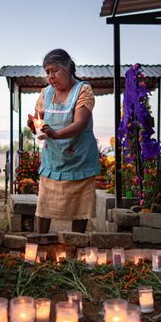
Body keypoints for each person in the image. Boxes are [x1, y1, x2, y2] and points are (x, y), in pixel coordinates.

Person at [27, 49, 99, 234]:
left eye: (55, 70)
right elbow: (39, 121)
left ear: (68, 68)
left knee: (79, 211)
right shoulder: (46, 93)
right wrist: (34, 125)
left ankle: (76, 246)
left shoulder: (83, 90)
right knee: (44, 208)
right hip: (53, 160)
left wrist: (56, 134)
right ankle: (41, 243)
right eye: (47, 72)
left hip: (79, 160)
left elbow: (80, 123)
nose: (51, 76)